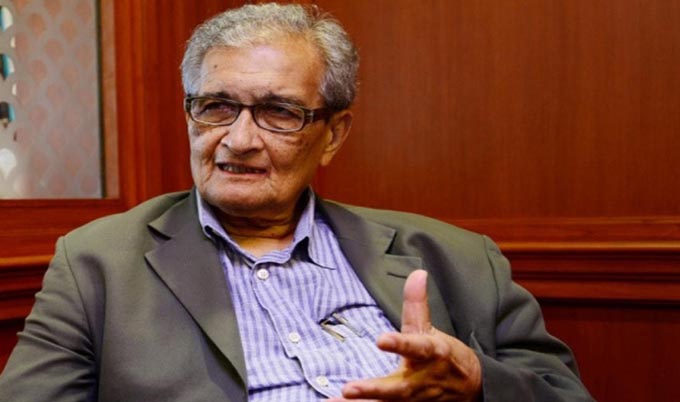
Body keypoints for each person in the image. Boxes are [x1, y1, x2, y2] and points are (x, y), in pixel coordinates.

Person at [0, 3, 594, 401]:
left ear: (333, 135)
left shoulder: (456, 258)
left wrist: (477, 383)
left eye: (279, 112)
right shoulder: (97, 265)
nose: (238, 139)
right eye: (215, 107)